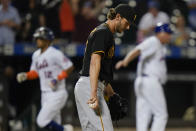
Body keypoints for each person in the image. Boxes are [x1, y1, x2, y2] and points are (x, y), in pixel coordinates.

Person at [74, 4, 136, 131]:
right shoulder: (104, 32)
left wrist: (110, 92)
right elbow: (94, 62)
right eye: (127, 22)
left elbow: (100, 71)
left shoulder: (105, 32)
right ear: (118, 17)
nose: (128, 27)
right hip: (89, 86)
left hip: (88, 85)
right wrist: (93, 94)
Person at [115, 23, 172, 131]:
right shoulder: (154, 41)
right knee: (161, 115)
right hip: (150, 82)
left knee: (143, 115)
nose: (170, 36)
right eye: (168, 33)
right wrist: (126, 60)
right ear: (160, 33)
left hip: (143, 81)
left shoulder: (159, 45)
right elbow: (138, 49)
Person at [16, 27, 74, 131]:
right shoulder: (36, 55)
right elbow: (35, 72)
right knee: (54, 123)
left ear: (47, 40)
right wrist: (26, 75)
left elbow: (69, 67)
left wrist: (57, 79)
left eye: (40, 38)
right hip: (45, 94)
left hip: (57, 93)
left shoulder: (55, 53)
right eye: (37, 38)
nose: (37, 41)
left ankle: (65, 129)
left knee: (41, 121)